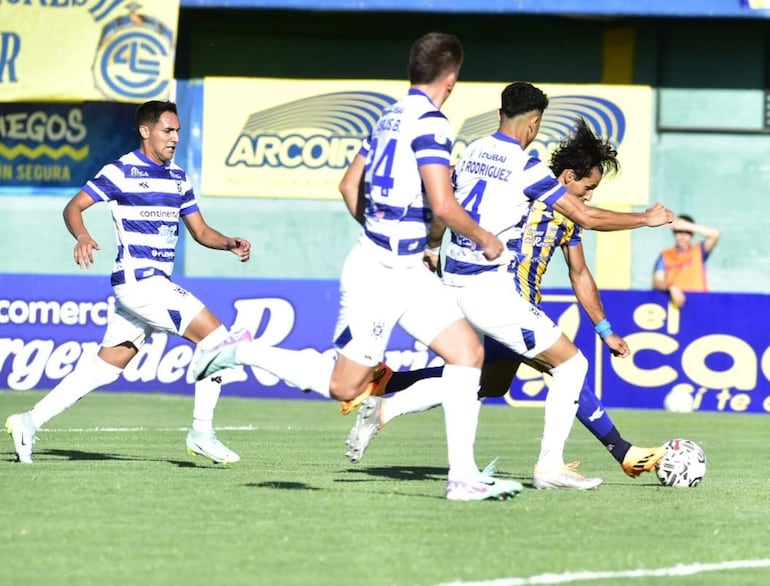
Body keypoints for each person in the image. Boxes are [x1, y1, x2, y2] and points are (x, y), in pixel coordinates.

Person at [193, 32, 525, 502]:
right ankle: (240, 349)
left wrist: (383, 230)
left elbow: (350, 186)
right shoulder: (432, 123)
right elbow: (444, 205)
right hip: (381, 273)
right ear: (450, 79)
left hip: (400, 266)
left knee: (467, 354)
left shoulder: (388, 116)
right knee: (343, 384)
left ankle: (463, 477)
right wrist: (487, 238)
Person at [342, 82, 673, 490]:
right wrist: (645, 218)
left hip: (456, 284)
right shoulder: (531, 172)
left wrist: (430, 249)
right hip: (493, 292)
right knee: (570, 364)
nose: (586, 197)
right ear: (533, 124)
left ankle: (387, 398)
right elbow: (586, 218)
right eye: (587, 189)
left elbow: (443, 207)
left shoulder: (474, 152)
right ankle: (586, 458)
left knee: (485, 380)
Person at [4, 100, 252, 465]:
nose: (175, 138)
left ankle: (28, 421)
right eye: (168, 130)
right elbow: (73, 207)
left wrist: (227, 241)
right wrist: (82, 236)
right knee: (215, 337)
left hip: (149, 285)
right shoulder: (121, 171)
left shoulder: (179, 178)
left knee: (105, 366)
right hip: (140, 282)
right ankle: (201, 432)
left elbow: (200, 231)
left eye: (178, 131)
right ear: (145, 131)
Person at [652, 214, 720, 308]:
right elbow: (657, 281)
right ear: (674, 234)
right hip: (674, 304)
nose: (682, 236)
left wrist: (686, 225)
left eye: (686, 232)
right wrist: (670, 287)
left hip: (699, 302)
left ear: (692, 234)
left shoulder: (699, 251)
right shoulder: (665, 255)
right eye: (679, 232)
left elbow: (715, 234)